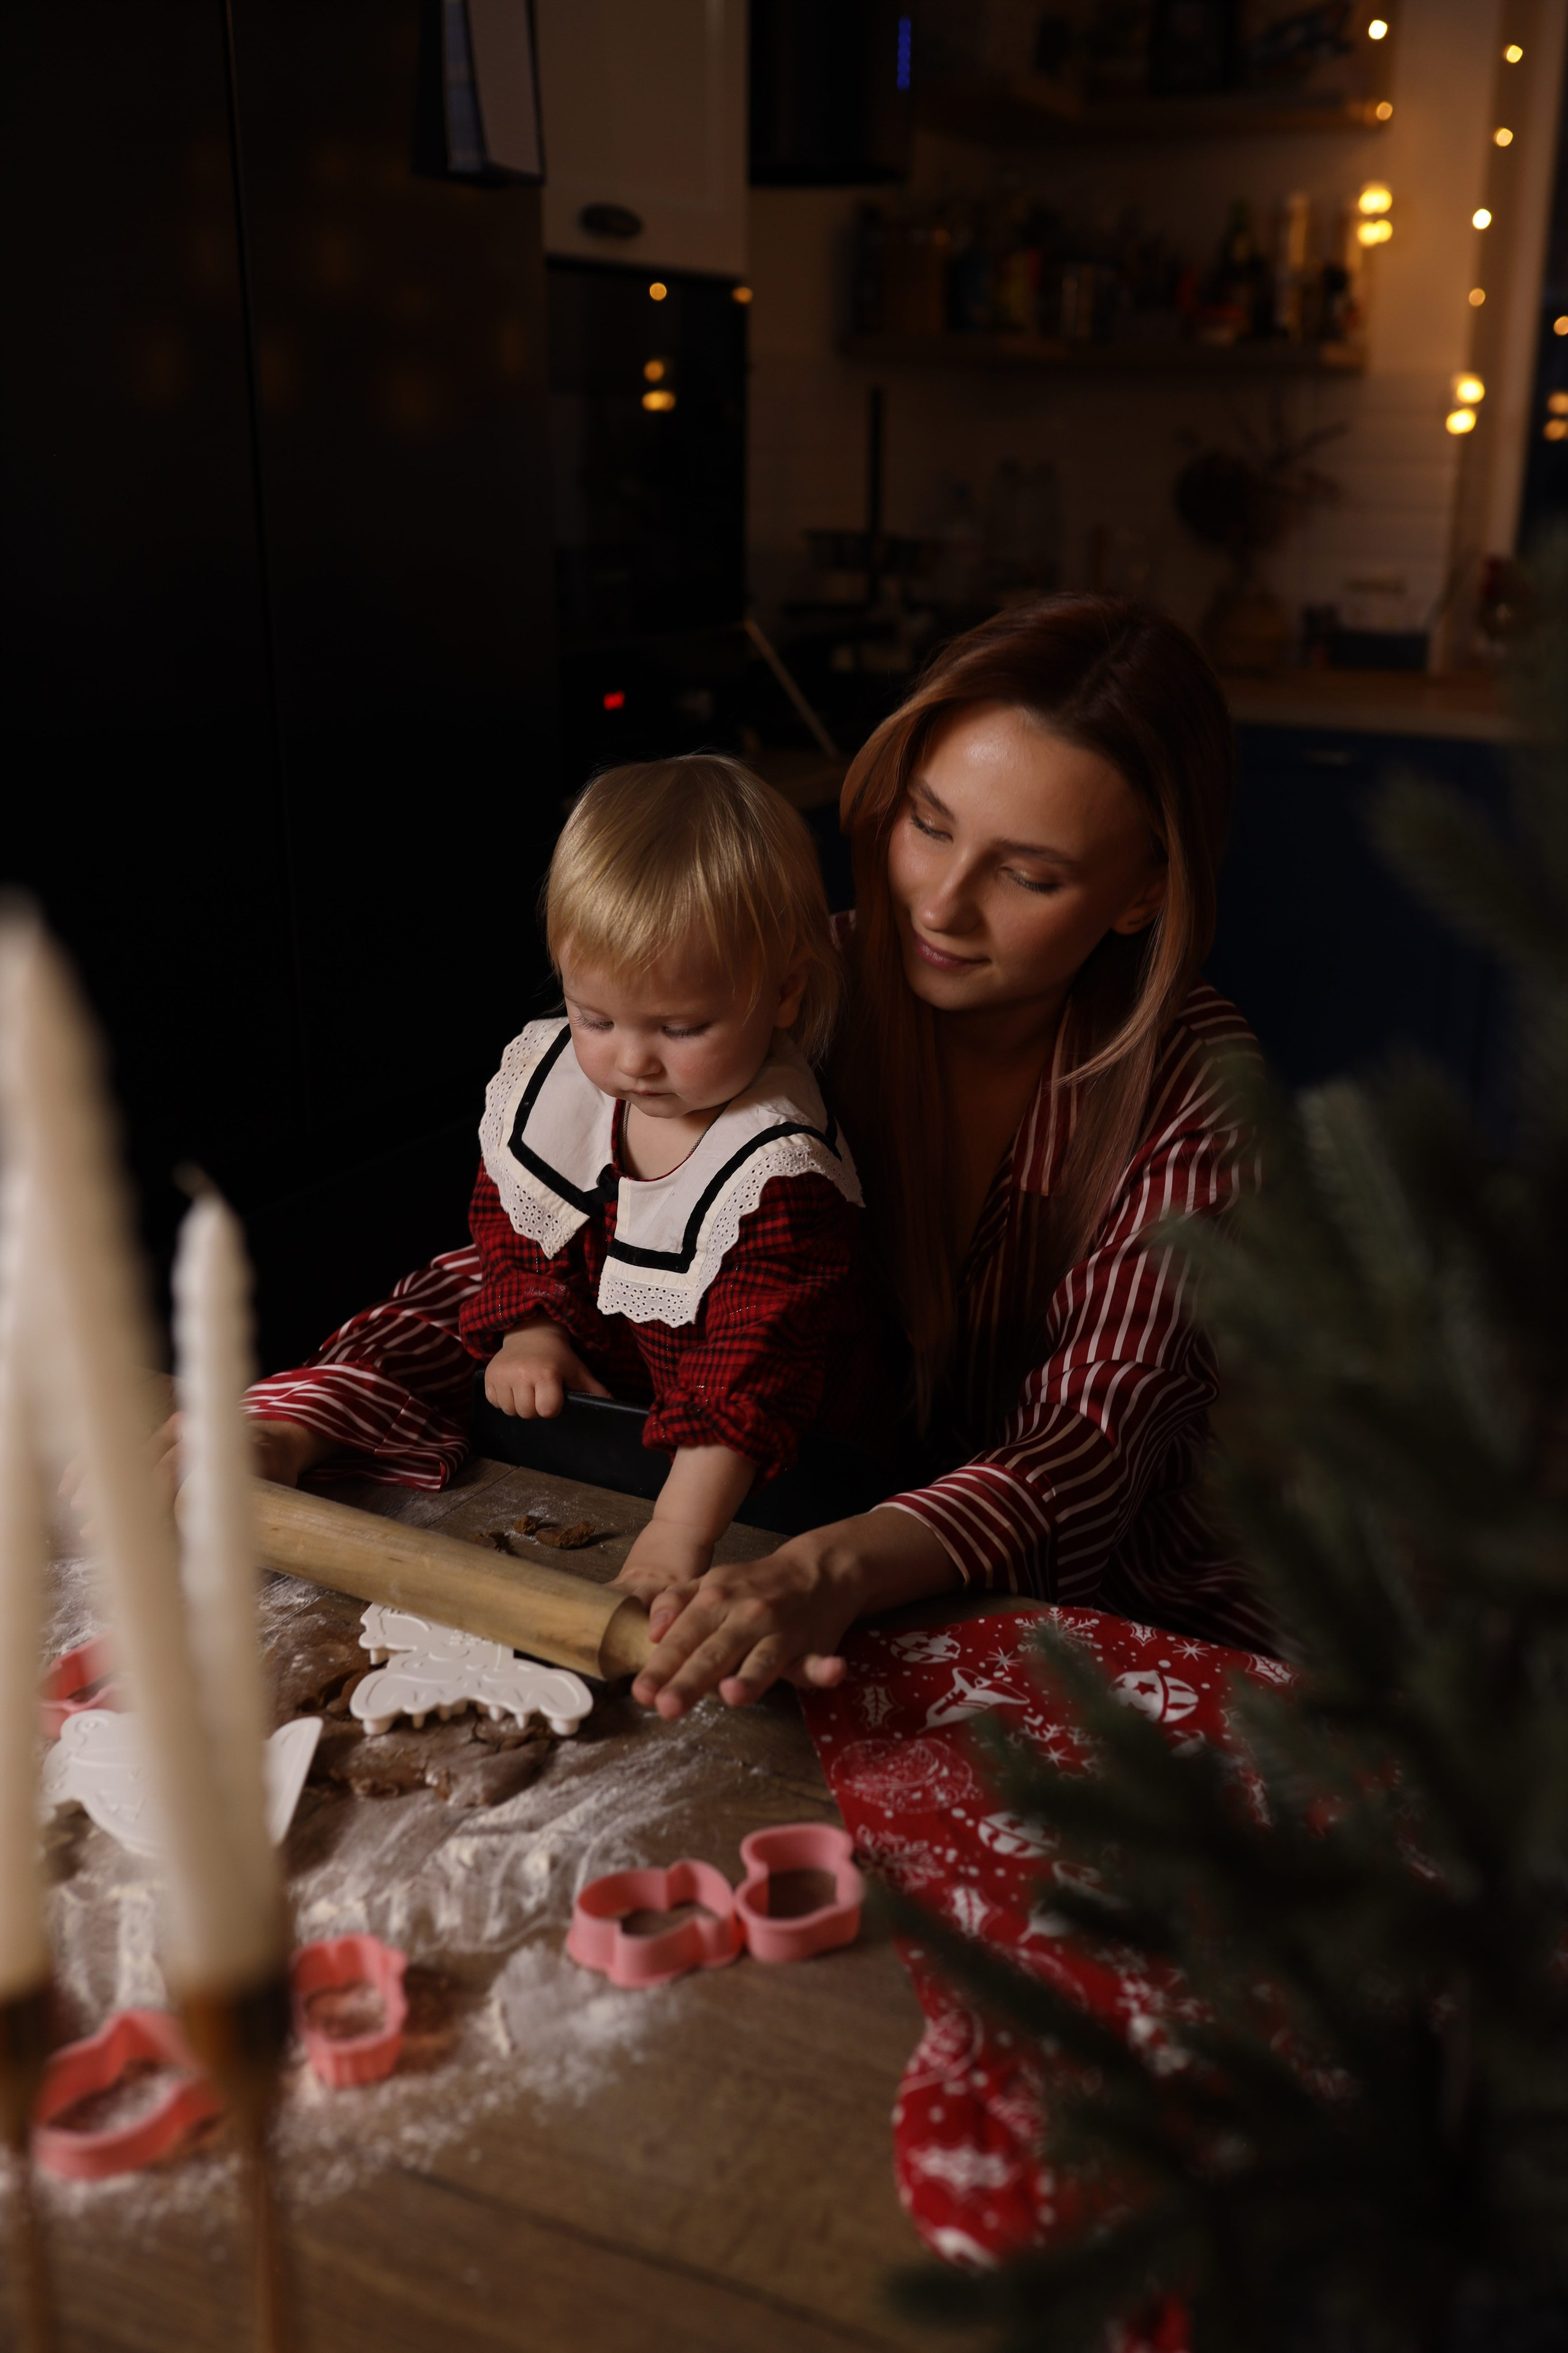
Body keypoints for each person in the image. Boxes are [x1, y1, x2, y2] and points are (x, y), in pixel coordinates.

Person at [243, 597, 1263, 1709]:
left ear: (1146, 891)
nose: (942, 903)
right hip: (781, 1563)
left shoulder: (1196, 1083)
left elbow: (1088, 1447)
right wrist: (310, 1405)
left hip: (1087, 1623)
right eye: (928, 824)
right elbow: (565, 1255)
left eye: (1028, 875)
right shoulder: (784, 996)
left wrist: (829, 1567)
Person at [251, 757, 883, 1599]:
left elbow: (750, 1381)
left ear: (784, 993)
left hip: (760, 1493)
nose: (630, 1059)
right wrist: (533, 1331)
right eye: (595, 1016)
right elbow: (512, 1225)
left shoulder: (776, 1178)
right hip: (602, 1445)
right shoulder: (563, 1086)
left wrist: (672, 1541)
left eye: (682, 1025)